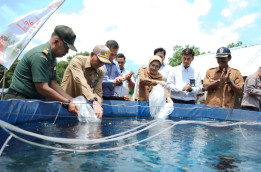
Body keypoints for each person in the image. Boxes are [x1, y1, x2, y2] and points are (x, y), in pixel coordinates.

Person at [4, 25, 78, 115]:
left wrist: (73, 100)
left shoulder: (52, 58)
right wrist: (67, 103)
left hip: (31, 102)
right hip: (17, 102)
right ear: (56, 42)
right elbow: (42, 88)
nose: (67, 51)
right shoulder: (40, 55)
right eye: (66, 47)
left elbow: (53, 84)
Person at [61, 45, 111, 118]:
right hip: (64, 102)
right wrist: (93, 100)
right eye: (99, 61)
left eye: (104, 62)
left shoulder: (100, 71)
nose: (100, 64)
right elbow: (81, 82)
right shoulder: (77, 61)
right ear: (92, 54)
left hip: (80, 106)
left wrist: (98, 105)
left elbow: (98, 91)